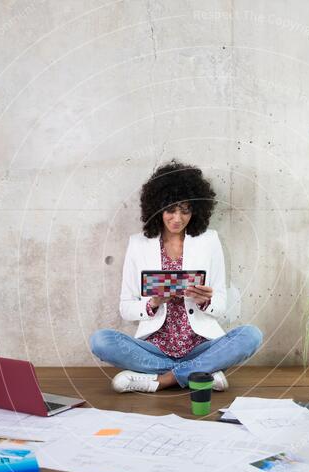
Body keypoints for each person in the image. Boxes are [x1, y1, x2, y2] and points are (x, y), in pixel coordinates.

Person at [89, 160, 263, 393]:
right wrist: (152, 304)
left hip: (201, 344)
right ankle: (201, 373)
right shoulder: (138, 244)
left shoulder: (209, 241)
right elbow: (126, 307)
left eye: (185, 210)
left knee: (251, 335)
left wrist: (206, 301)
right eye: (170, 210)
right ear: (158, 209)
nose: (177, 219)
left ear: (196, 210)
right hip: (154, 348)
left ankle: (163, 379)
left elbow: (221, 303)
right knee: (100, 341)